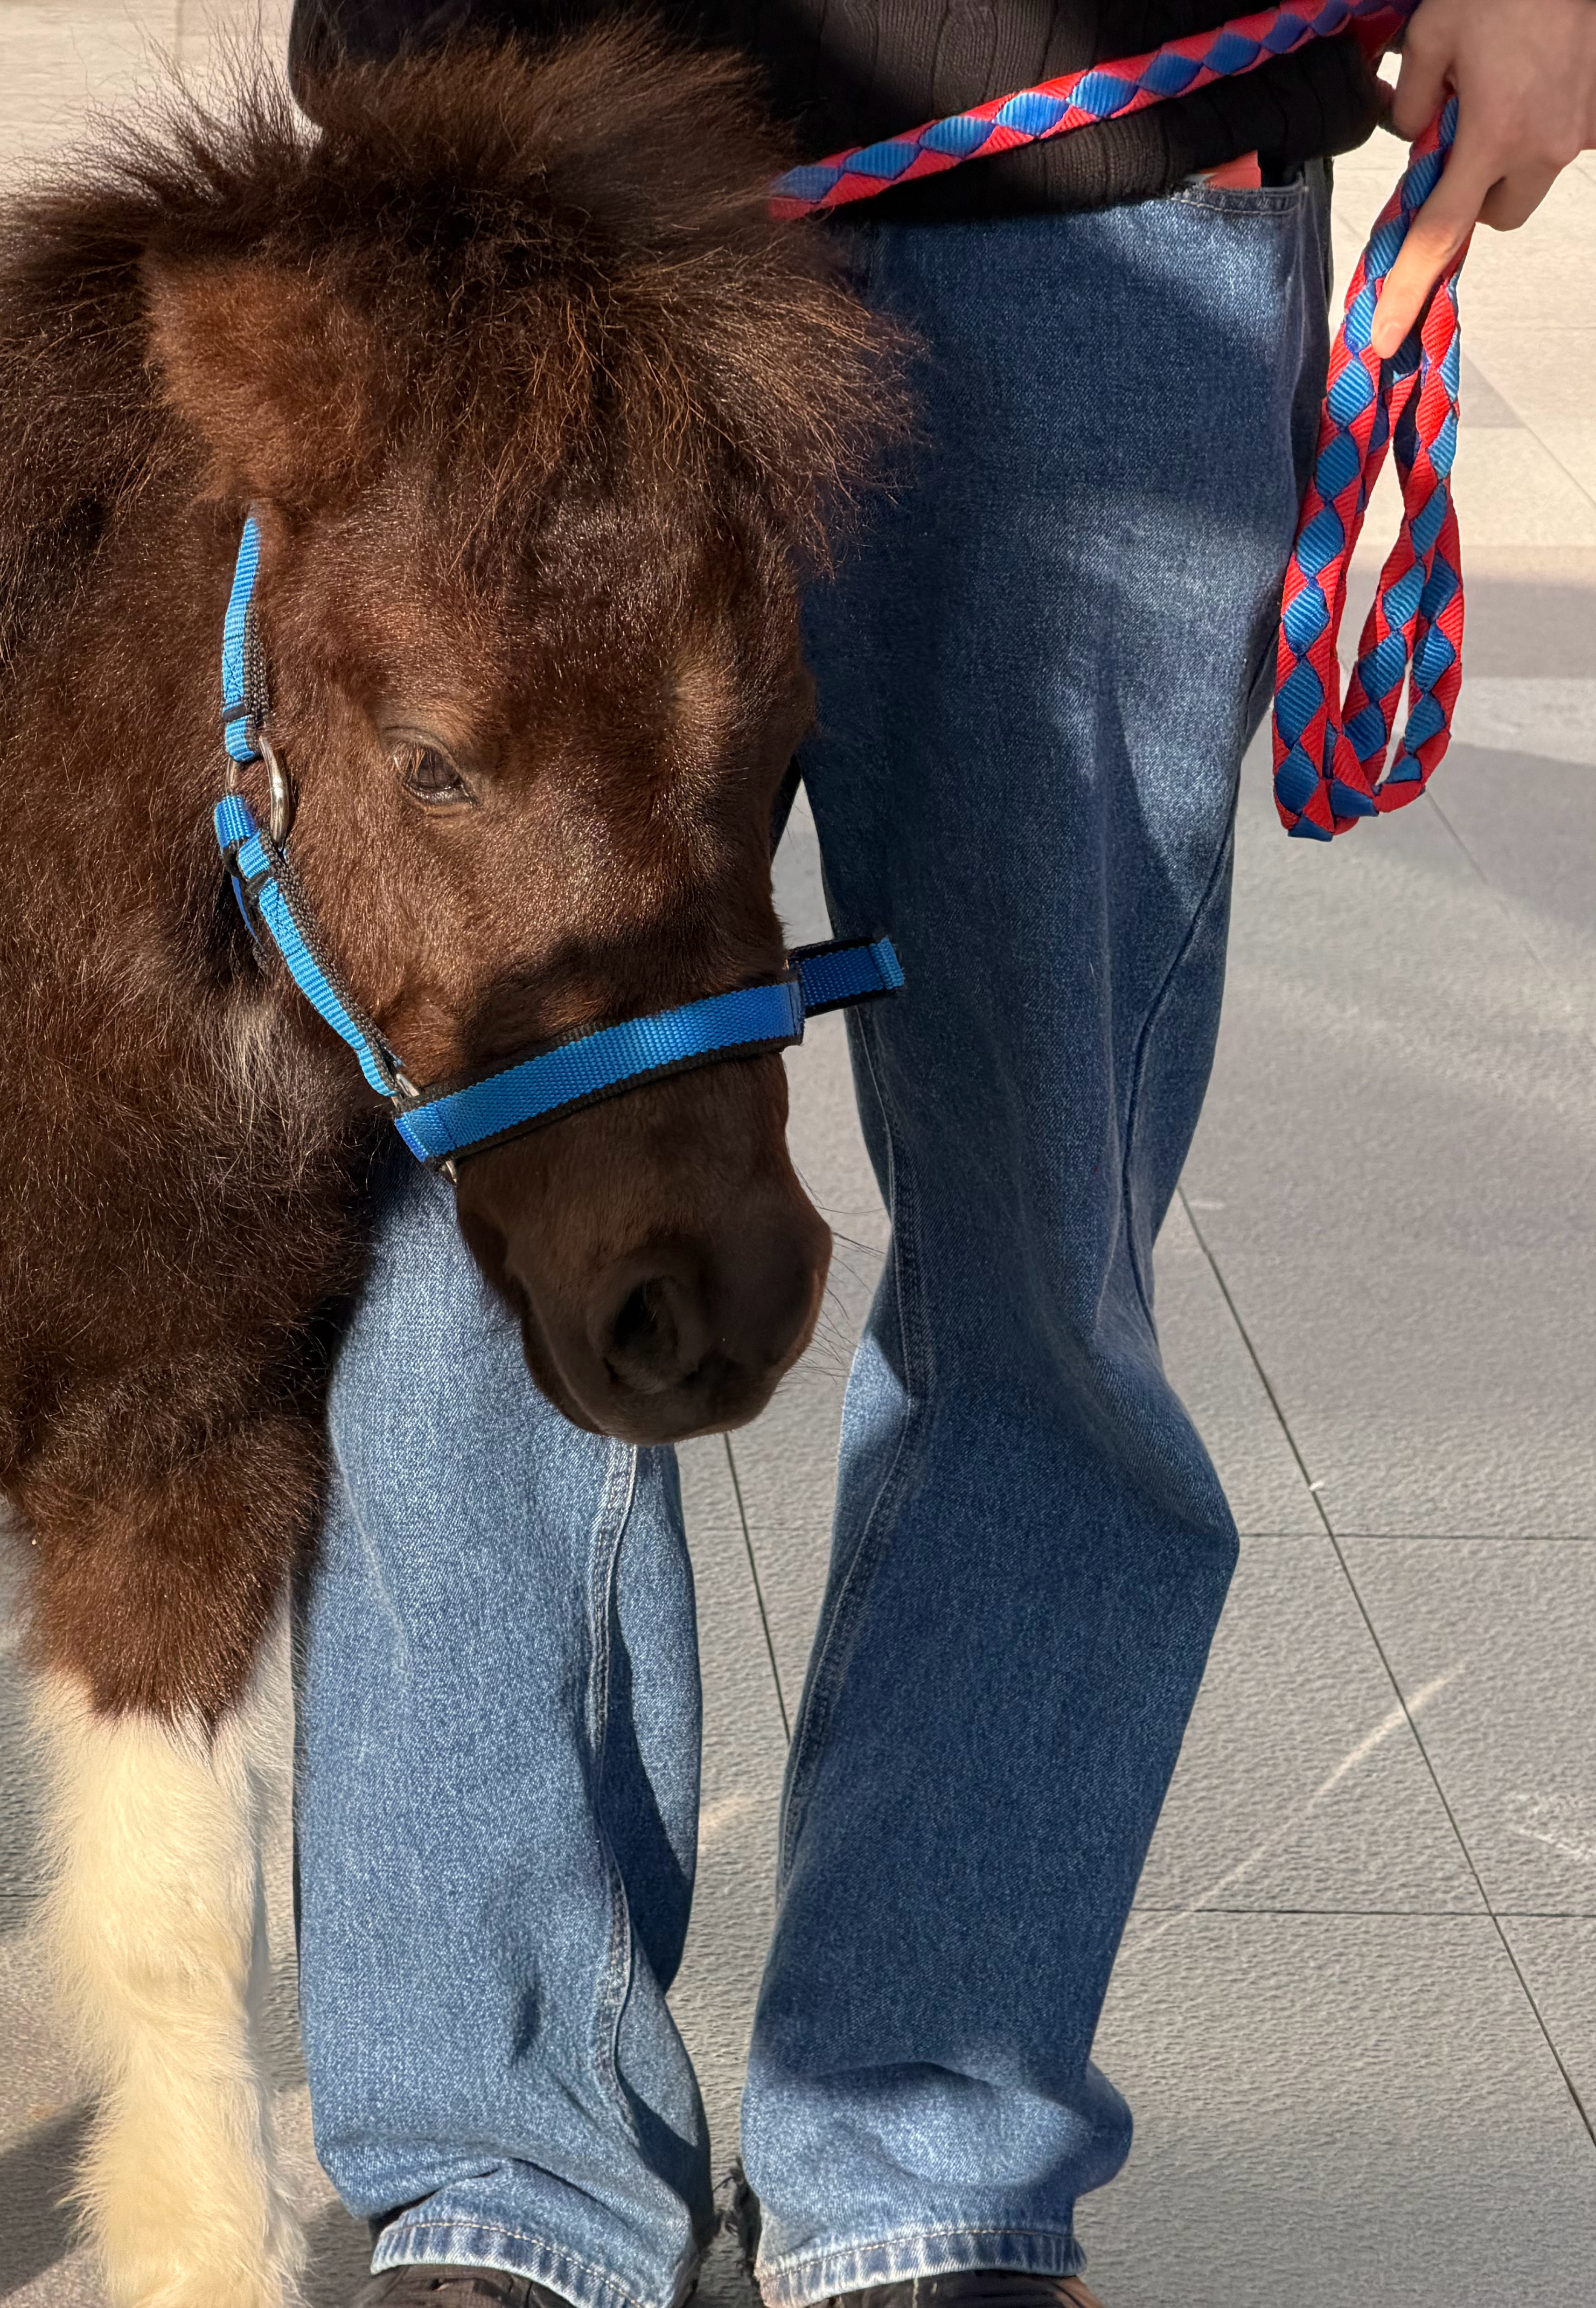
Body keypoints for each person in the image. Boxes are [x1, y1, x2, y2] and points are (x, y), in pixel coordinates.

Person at [284, 4, 1596, 2305]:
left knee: (1038, 1243)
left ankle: (926, 2161)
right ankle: (501, 2162)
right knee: (461, 1237)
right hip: (515, 173)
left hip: (1111, 178)